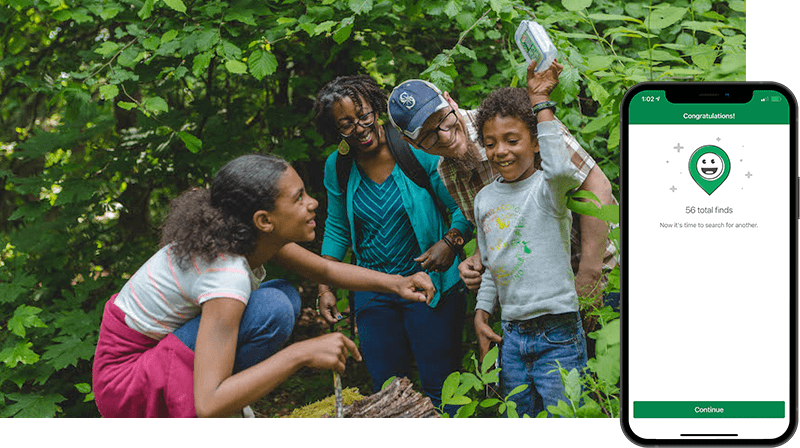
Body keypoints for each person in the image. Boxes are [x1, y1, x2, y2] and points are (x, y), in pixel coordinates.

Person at [92, 154, 435, 418]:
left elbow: (326, 271)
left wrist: (398, 283)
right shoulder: (226, 276)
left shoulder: (248, 238)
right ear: (264, 221)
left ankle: (226, 398)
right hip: (128, 386)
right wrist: (301, 353)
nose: (312, 203)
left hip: (150, 361)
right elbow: (209, 404)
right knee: (273, 309)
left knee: (283, 294)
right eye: (299, 198)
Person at [387, 72, 620, 341]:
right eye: (427, 135)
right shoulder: (448, 173)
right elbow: (502, 230)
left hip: (601, 271)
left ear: (449, 101)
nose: (445, 136)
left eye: (443, 119)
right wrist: (478, 261)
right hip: (544, 300)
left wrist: (589, 276)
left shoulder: (511, 124)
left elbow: (596, 187)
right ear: (410, 143)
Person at [312, 75, 471, 410]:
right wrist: (326, 287)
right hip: (374, 290)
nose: (359, 128)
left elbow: (462, 209)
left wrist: (450, 244)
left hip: (431, 286)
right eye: (346, 124)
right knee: (385, 392)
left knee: (442, 389)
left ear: (377, 109)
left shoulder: (415, 149)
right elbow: (338, 227)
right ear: (334, 129)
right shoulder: (338, 166)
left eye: (365, 115)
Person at [471, 61, 588, 417]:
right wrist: (481, 311)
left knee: (565, 418)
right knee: (517, 419)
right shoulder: (484, 199)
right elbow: (493, 264)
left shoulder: (547, 189)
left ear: (535, 143)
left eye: (512, 140)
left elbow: (561, 168)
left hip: (558, 332)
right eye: (491, 144)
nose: (500, 151)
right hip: (511, 335)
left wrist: (541, 102)